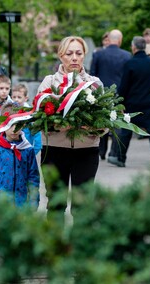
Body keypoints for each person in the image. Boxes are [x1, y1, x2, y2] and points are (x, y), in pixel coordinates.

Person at [37, 36, 103, 213]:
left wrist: (93, 127)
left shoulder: (94, 84)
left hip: (86, 151)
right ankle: (55, 241)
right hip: (54, 151)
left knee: (82, 205)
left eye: (79, 53)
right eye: (69, 53)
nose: (74, 57)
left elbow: (105, 121)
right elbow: (38, 117)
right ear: (60, 56)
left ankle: (79, 241)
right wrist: (58, 126)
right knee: (56, 204)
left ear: (84, 56)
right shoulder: (49, 82)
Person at [109, 36, 150, 167]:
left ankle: (120, 158)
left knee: (126, 131)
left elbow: (124, 86)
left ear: (133, 47)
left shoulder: (130, 63)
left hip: (132, 103)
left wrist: (120, 103)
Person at [90, 29, 131, 160]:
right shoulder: (127, 55)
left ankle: (101, 151)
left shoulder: (98, 54)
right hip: (120, 93)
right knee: (117, 121)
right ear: (120, 40)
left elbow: (92, 75)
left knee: (101, 119)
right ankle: (114, 152)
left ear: (109, 39)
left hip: (101, 93)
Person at [11, 84, 42, 155]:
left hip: (26, 150)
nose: (16, 99)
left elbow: (37, 134)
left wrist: (33, 152)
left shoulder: (30, 114)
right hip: (12, 150)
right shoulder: (9, 112)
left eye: (19, 97)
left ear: (25, 98)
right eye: (14, 97)